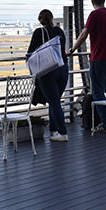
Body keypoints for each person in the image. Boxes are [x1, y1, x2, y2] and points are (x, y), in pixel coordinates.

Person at [68, 0, 106, 132]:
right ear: (104, 0)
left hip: (99, 58)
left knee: (97, 92)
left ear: (92, 2)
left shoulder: (94, 15)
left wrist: (72, 49)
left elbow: (84, 34)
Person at [27, 9, 69, 141]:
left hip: (48, 71)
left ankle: (63, 133)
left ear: (40, 20)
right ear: (52, 19)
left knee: (54, 101)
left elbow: (30, 53)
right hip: (63, 68)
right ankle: (53, 131)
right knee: (55, 101)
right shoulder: (59, 31)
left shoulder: (39, 32)